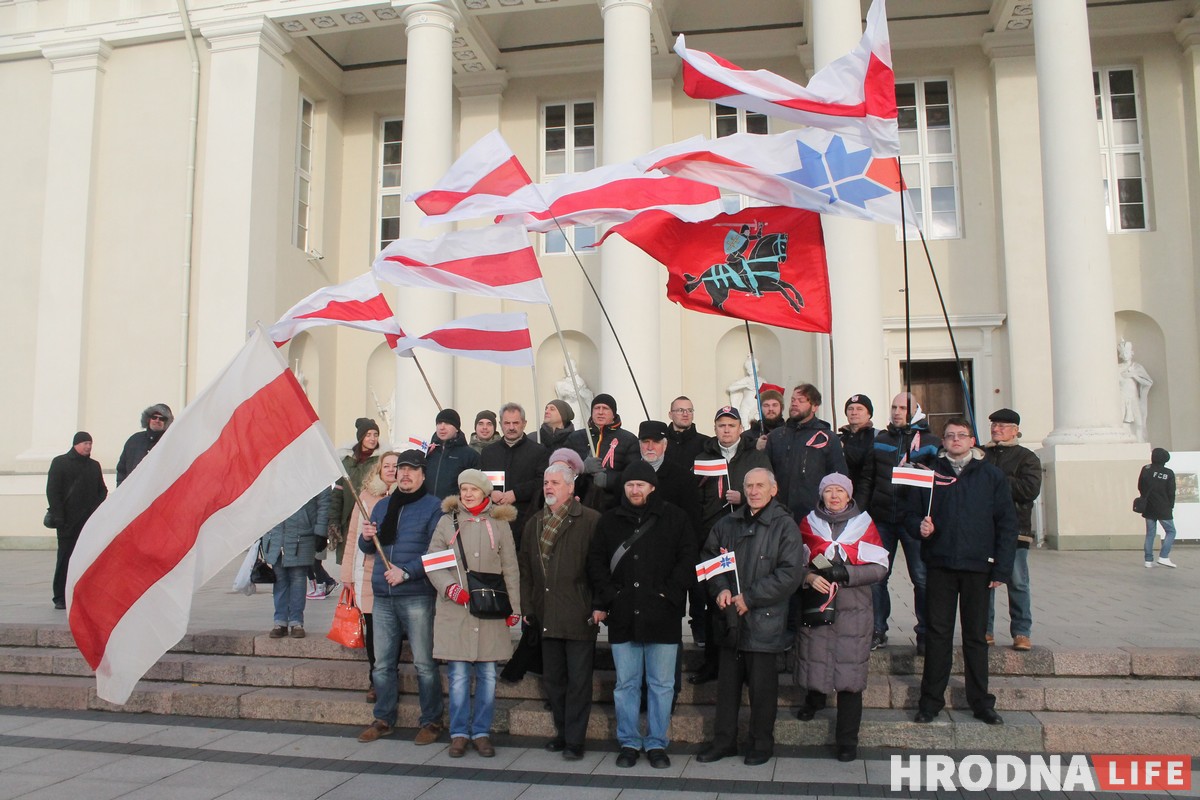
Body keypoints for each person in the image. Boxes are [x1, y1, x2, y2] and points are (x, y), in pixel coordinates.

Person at [587, 461, 696, 769]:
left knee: (662, 684)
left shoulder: (675, 518)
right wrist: (611, 596)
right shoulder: (610, 521)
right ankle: (629, 741)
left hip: (662, 614)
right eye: (629, 485)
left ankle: (657, 742)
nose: (635, 490)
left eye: (640, 485)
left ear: (652, 487)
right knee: (626, 684)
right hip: (623, 614)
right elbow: (596, 561)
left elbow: (688, 557)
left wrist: (671, 593)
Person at [696, 467, 803, 766]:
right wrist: (719, 589)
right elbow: (709, 559)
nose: (754, 491)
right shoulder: (727, 522)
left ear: (773, 489)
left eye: (760, 486)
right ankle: (724, 741)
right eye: (749, 486)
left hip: (763, 619)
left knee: (762, 691)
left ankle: (760, 743)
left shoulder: (784, 526)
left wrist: (750, 597)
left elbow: (789, 574)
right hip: (730, 621)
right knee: (727, 689)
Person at [914, 418, 1017, 727]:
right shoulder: (930, 473)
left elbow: (1007, 523)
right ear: (942, 441)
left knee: (975, 637)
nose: (955, 440)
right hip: (941, 564)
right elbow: (909, 512)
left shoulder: (991, 475)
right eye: (949, 436)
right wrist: (921, 527)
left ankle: (981, 702)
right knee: (938, 635)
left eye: (961, 435)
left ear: (972, 440)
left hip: (977, 566)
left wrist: (1002, 567)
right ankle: (930, 701)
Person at [425, 470, 522, 758]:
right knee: (457, 676)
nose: (467, 494)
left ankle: (481, 731)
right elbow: (433, 562)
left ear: (484, 492)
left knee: (488, 675)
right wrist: (451, 589)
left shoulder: (500, 523)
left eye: (473, 489)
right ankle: (458, 733)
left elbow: (510, 567)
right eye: (463, 488)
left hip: (491, 611)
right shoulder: (447, 522)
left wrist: (515, 608)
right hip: (457, 611)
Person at [794, 473, 888, 762]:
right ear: (821, 495)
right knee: (815, 657)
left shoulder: (864, 524)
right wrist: (808, 576)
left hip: (854, 609)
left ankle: (847, 739)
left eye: (840, 491)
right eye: (829, 491)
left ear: (849, 496)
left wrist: (847, 573)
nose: (834, 496)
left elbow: (880, 567)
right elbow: (793, 562)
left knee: (850, 672)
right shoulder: (808, 523)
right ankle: (814, 699)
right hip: (818, 603)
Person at [357, 449, 446, 745]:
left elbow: (438, 555)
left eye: (412, 470)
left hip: (416, 594)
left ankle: (431, 721)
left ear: (422, 474)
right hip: (383, 595)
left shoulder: (434, 507)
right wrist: (367, 537)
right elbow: (368, 547)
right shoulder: (383, 506)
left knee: (424, 663)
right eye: (401, 470)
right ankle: (383, 718)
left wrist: (406, 572)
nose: (405, 474)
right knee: (382, 664)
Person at [518, 459, 601, 760]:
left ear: (571, 486)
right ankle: (563, 732)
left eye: (555, 483)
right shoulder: (534, 523)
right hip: (545, 614)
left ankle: (575, 740)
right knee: (553, 680)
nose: (548, 487)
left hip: (579, 614)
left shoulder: (590, 520)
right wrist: (528, 606)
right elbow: (525, 570)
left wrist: (599, 606)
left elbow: (599, 569)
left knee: (579, 682)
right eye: (546, 483)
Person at [690, 405, 770, 684]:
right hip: (713, 538)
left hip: (748, 538)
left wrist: (745, 500)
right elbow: (695, 498)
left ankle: (745, 667)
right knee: (714, 601)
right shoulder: (703, 456)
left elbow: (771, 493)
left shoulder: (755, 456)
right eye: (721, 425)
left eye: (731, 425)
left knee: (744, 599)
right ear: (715, 428)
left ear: (739, 429)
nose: (726, 430)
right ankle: (712, 664)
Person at [867, 392, 940, 652]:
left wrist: (918, 470)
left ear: (915, 411)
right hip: (883, 517)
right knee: (877, 577)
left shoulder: (930, 441)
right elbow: (870, 476)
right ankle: (877, 629)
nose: (897, 412)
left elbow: (937, 479)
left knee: (920, 577)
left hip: (912, 519)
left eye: (903, 408)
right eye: (894, 407)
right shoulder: (881, 439)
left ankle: (924, 632)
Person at [340, 451, 399, 702]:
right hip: (368, 573)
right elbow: (353, 535)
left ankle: (390, 676)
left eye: (396, 466)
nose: (391, 470)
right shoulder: (364, 497)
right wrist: (346, 573)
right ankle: (375, 679)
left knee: (394, 630)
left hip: (396, 571)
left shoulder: (406, 497)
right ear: (378, 469)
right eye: (386, 465)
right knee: (374, 630)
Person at [983, 408, 1042, 649]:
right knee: (984, 583)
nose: (997, 429)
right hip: (984, 529)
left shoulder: (1027, 457)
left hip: (1016, 529)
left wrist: (996, 478)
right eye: (994, 425)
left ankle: (1021, 631)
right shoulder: (981, 455)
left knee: (1017, 581)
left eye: (1003, 426)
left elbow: (1029, 489)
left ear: (1015, 430)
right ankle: (984, 630)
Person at [764, 383, 848, 522]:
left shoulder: (827, 438)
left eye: (801, 400)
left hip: (814, 515)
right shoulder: (776, 436)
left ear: (814, 406)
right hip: (778, 513)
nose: (795, 404)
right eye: (793, 400)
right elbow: (766, 473)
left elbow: (839, 478)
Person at [45, 432, 107, 609]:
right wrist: (59, 516)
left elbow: (102, 490)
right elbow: (53, 492)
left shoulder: (94, 466)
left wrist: (94, 509)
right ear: (76, 444)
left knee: (85, 560)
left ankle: (82, 594)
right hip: (66, 522)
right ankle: (60, 597)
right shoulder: (60, 463)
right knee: (65, 559)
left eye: (90, 443)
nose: (88, 447)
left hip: (87, 523)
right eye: (85, 443)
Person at [261, 487, 332, 639]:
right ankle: (280, 621)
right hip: (276, 533)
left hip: (302, 533)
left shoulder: (312, 467)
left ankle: (296, 621)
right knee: (279, 579)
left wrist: (321, 530)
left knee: (298, 579)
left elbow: (324, 499)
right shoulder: (273, 468)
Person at [479, 402, 549, 550]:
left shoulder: (538, 451)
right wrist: (490, 492)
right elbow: (481, 481)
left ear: (524, 424)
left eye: (516, 423)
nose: (511, 427)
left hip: (525, 520)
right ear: (500, 424)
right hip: (493, 521)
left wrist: (516, 493)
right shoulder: (488, 452)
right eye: (507, 423)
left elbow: (542, 482)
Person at [567, 393, 639, 512]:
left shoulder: (628, 439)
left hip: (613, 505)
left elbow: (633, 474)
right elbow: (560, 469)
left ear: (613, 413)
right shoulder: (575, 438)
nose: (600, 412)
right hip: (580, 503)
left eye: (605, 408)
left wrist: (608, 479)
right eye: (596, 408)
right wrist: (582, 468)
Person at [329, 418, 383, 564]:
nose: (372, 439)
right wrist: (334, 521)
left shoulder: (380, 460)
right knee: (349, 561)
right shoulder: (346, 461)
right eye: (368, 435)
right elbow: (337, 494)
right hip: (348, 519)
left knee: (367, 561)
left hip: (370, 518)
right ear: (361, 437)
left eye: (375, 434)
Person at [425, 408, 480, 499]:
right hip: (428, 509)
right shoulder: (428, 452)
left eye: (447, 423)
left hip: (455, 509)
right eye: (439, 423)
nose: (442, 427)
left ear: (457, 428)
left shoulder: (470, 455)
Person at [1137, 447, 1178, 568]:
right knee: (1171, 531)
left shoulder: (1146, 469)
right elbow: (1171, 492)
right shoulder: (1168, 473)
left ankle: (1148, 560)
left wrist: (1145, 497)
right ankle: (1164, 556)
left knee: (1150, 533)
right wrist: (1171, 506)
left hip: (1148, 506)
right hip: (1163, 507)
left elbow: (1140, 486)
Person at [115, 403, 172, 486]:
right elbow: (122, 469)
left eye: (161, 418)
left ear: (166, 422)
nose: (157, 420)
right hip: (133, 490)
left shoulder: (169, 443)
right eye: (154, 417)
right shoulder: (134, 440)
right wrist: (121, 489)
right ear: (148, 419)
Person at [838, 394, 876, 504]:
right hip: (840, 500)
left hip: (868, 501)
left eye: (859, 409)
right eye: (850, 409)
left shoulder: (878, 436)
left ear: (869, 414)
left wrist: (842, 449)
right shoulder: (838, 437)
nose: (854, 412)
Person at [664, 396, 712, 470]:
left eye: (689, 410)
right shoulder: (660, 442)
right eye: (680, 410)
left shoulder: (706, 443)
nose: (685, 414)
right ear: (670, 415)